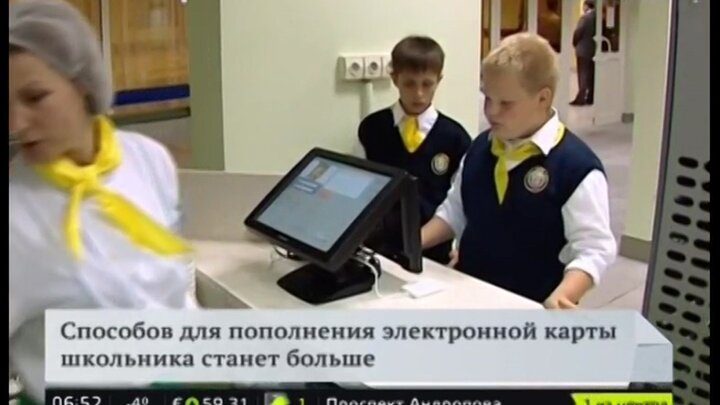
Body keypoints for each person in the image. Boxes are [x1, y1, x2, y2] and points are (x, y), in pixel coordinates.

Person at [9, 1, 196, 402]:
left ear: (83, 84)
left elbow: (175, 283)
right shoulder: (15, 207)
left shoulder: (148, 159)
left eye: (35, 97)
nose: (15, 124)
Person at [420, 33, 616, 308]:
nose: (491, 111)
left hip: (530, 306)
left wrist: (565, 294)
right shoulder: (480, 148)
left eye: (506, 103)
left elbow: (594, 248)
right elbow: (455, 211)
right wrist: (410, 243)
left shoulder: (576, 167)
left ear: (543, 99)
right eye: (487, 98)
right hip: (470, 294)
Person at [358, 35, 471, 266]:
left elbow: (462, 201)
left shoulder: (455, 138)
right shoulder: (372, 128)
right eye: (409, 84)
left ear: (439, 80)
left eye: (427, 84)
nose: (419, 94)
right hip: (378, 250)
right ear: (394, 79)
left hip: (434, 253)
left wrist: (461, 246)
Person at [571, 0, 597, 105]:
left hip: (583, 50)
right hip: (593, 49)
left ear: (586, 5)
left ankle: (581, 98)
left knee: (582, 74)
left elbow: (578, 32)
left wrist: (575, 43)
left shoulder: (585, 18)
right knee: (591, 75)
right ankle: (590, 97)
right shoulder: (597, 17)